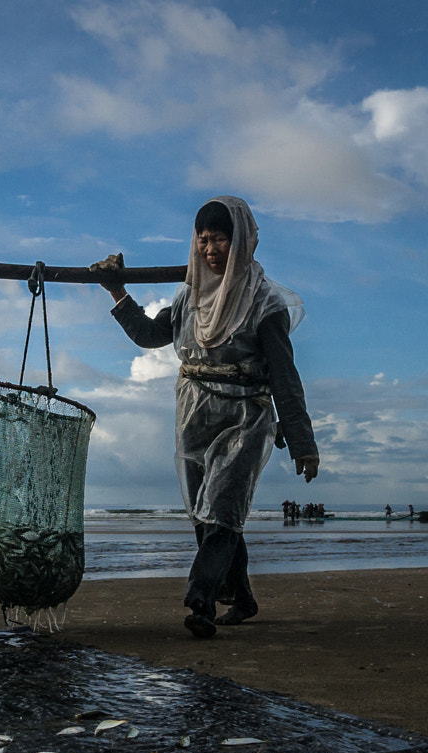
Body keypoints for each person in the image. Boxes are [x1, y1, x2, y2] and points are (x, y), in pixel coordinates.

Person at [95, 197, 319, 638]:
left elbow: (285, 378)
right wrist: (117, 291)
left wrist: (302, 441)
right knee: (205, 514)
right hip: (194, 413)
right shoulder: (189, 296)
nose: (209, 248)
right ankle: (242, 598)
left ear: (241, 242)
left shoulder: (265, 303)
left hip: (245, 415)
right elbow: (150, 335)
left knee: (222, 510)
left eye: (219, 239)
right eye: (202, 240)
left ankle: (200, 601)